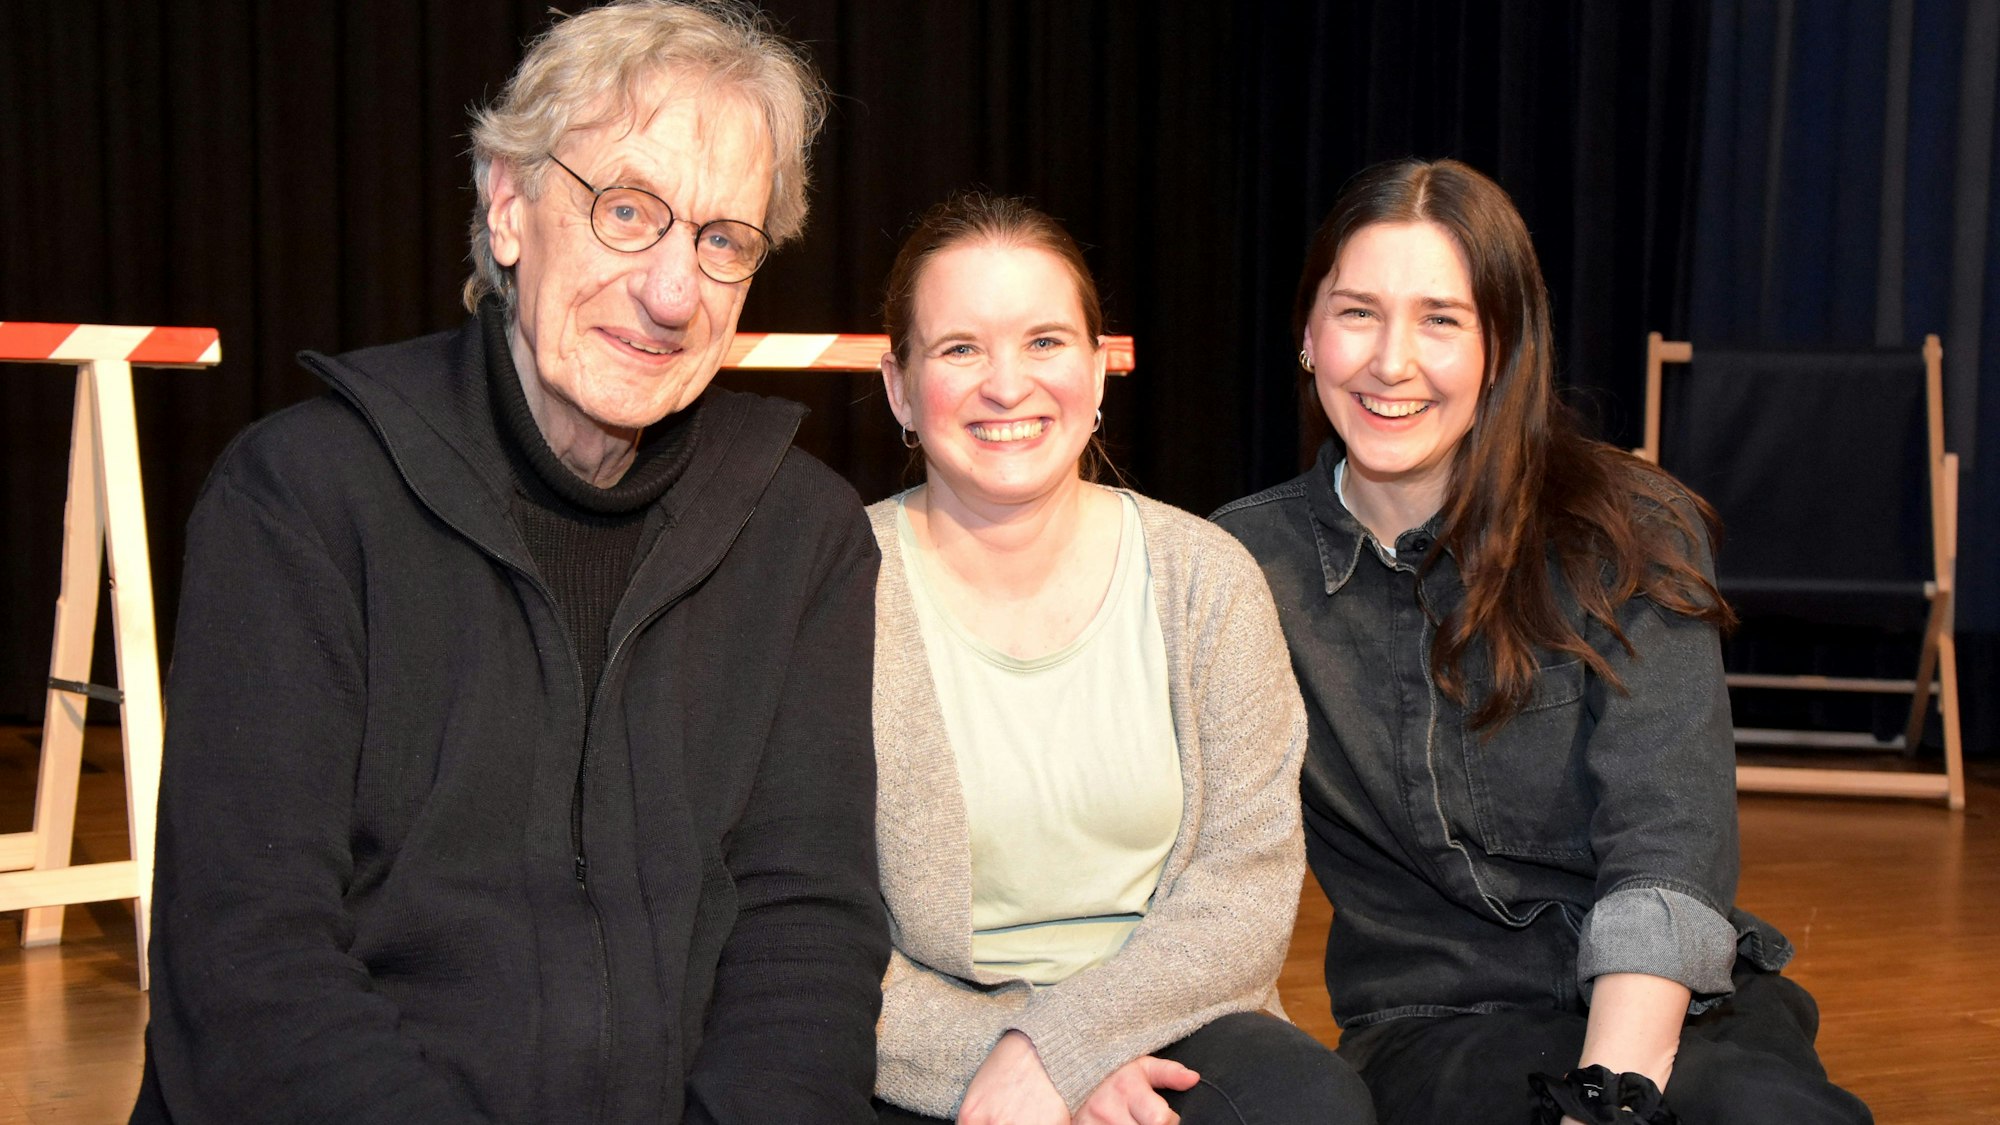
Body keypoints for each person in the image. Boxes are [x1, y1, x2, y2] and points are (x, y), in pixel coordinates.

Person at [133, 3, 889, 1121]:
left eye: (723, 240)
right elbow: (249, 963)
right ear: (506, 207)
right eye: (626, 211)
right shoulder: (300, 498)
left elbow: (806, 934)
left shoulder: (803, 533)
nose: (672, 293)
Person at [1213, 158, 1873, 1125]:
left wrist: (1604, 1101)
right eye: (1358, 312)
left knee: (1758, 1110)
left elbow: (1668, 838)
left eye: (1442, 320)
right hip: (1438, 1027)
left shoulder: (1628, 529)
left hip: (1678, 1005)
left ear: (1501, 348)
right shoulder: (1240, 567)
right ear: (1309, 335)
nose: (1391, 361)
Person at [866, 191, 1374, 1125]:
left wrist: (1059, 1048)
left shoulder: (1208, 578)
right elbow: (806, 922)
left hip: (1172, 1019)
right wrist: (1006, 1058)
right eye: (961, 348)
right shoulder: (830, 591)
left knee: (1313, 1105)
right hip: (925, 1043)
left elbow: (1247, 890)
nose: (1007, 384)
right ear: (900, 386)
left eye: (1045, 341)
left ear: (1099, 369)